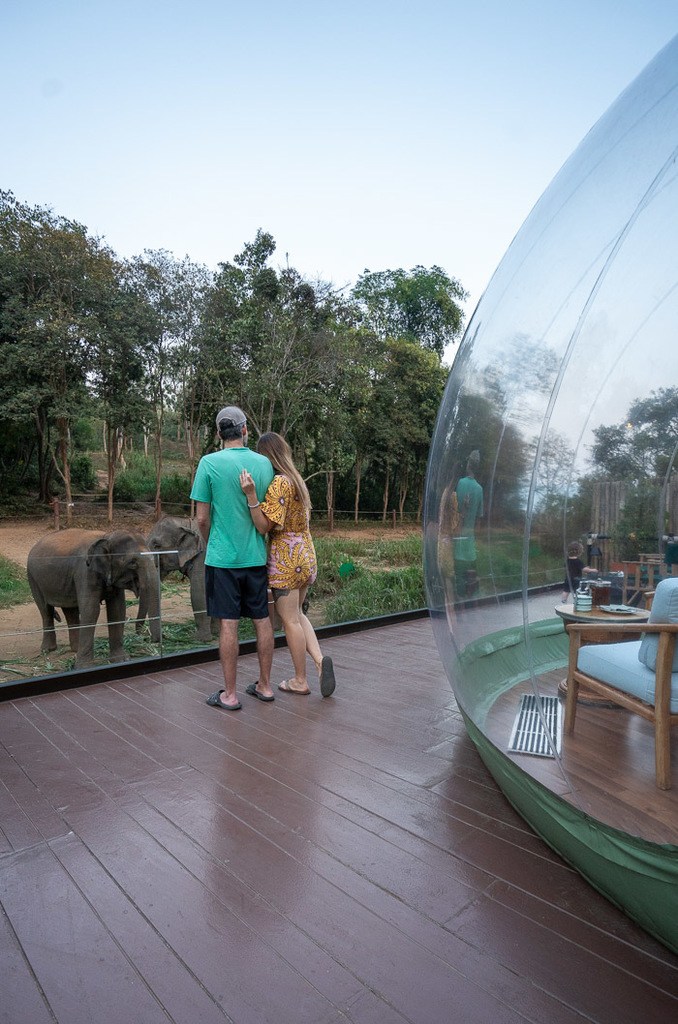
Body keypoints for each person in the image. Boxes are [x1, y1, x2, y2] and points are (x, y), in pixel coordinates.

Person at [190, 405, 275, 711]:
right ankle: (265, 686)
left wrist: (214, 542)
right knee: (262, 619)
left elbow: (201, 519)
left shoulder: (208, 464)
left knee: (228, 624)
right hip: (255, 557)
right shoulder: (264, 464)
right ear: (245, 431)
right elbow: (266, 513)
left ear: (218, 434)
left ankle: (230, 694)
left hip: (222, 560)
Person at [239, 431, 336, 698]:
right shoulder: (297, 480)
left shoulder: (280, 483)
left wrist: (250, 496)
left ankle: (300, 680)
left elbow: (263, 526)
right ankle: (318, 662)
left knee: (289, 620)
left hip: (285, 558)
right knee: (299, 615)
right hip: (306, 553)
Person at [454, 450, 483, 598]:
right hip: (470, 540)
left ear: (468, 464)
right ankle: (470, 600)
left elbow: (455, 510)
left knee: (458, 574)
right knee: (470, 575)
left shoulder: (460, 483)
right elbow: (479, 518)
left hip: (458, 537)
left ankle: (459, 598)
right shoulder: (479, 489)